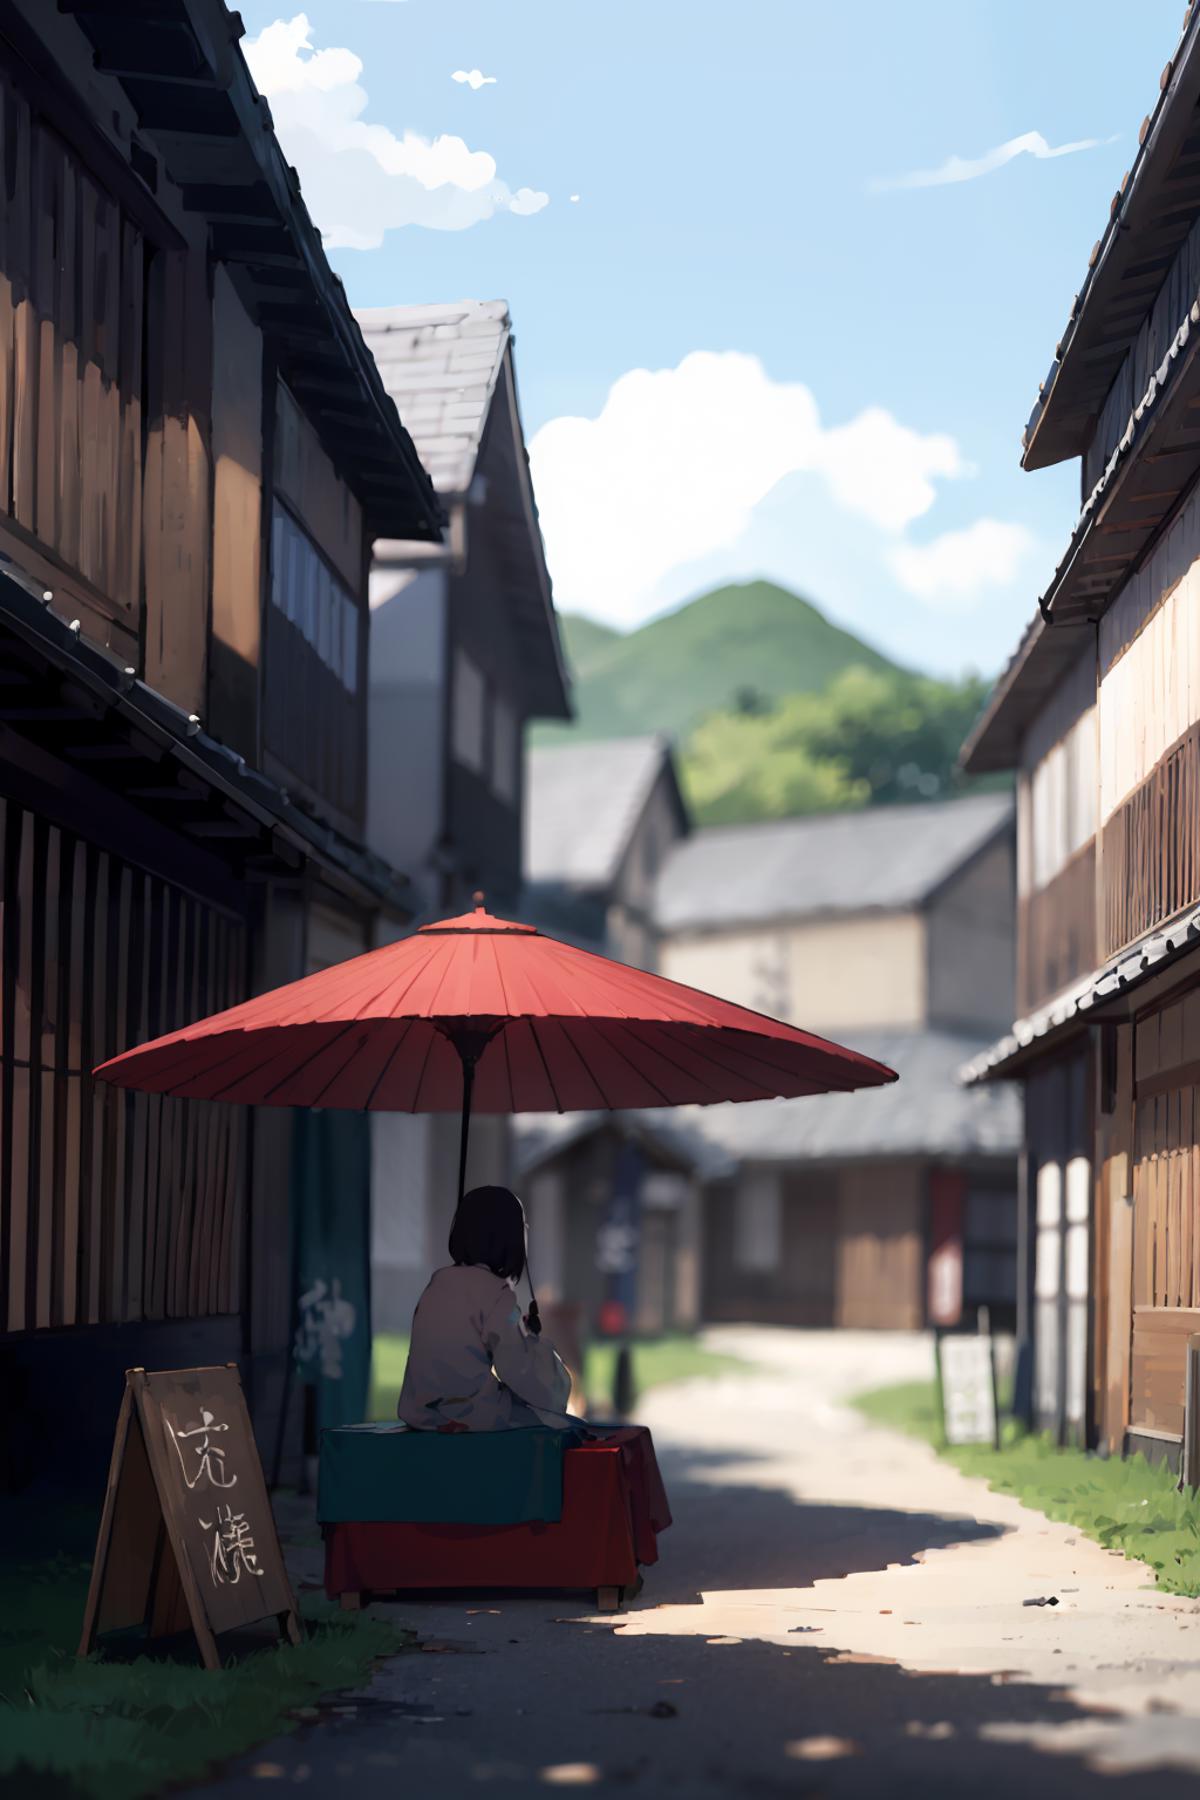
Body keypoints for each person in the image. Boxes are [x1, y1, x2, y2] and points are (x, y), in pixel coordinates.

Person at [397, 1185, 575, 1432]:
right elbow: (519, 1369)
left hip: (420, 1414)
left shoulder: (436, 1285)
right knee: (551, 1424)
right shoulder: (497, 1296)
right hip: (468, 1416)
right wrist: (544, 1358)